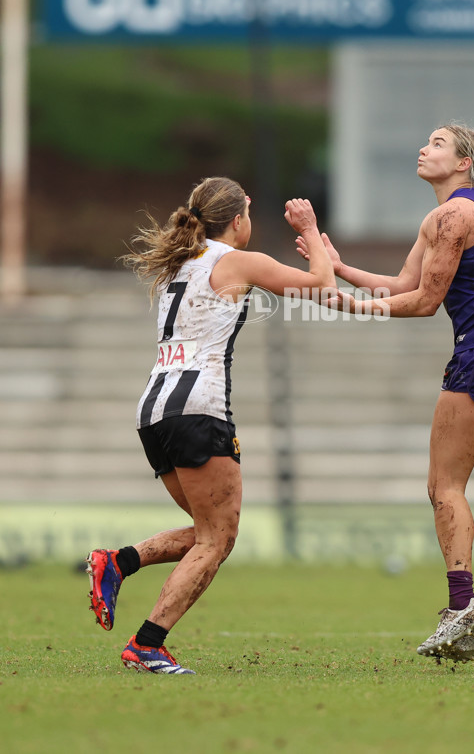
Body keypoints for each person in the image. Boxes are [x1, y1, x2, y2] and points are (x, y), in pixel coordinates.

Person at [297, 123, 474, 662]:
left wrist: (342, 303)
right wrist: (339, 268)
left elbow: (423, 303)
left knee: (444, 486)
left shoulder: (454, 214)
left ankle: (462, 608)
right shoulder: (452, 215)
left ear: (464, 163)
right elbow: (403, 283)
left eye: (437, 143)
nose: (423, 147)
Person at [86, 177, 335, 675]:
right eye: (249, 209)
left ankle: (119, 563)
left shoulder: (182, 260)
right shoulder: (237, 260)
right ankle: (147, 643)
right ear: (238, 218)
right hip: (198, 407)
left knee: (210, 531)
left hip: (156, 408)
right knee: (218, 539)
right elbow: (321, 286)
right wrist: (312, 233)